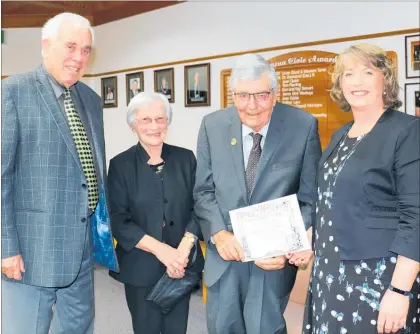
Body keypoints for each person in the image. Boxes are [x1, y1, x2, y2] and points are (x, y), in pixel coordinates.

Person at [1, 12, 117, 334]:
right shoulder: (14, 92)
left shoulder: (91, 100)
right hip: (31, 251)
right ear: (46, 45)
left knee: (80, 329)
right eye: (71, 47)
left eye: (86, 50)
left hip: (82, 248)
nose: (79, 58)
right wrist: (5, 247)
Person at [194, 53, 321, 334]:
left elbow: (310, 198)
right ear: (233, 94)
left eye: (261, 95)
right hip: (225, 257)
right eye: (243, 96)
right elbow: (203, 191)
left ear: (275, 94)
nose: (251, 106)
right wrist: (218, 233)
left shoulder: (303, 126)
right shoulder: (212, 125)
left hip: (272, 264)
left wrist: (285, 244)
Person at [302, 44, 420, 334]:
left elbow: (416, 216)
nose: (356, 81)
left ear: (385, 80)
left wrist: (399, 291)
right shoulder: (341, 134)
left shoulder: (407, 131)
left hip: (378, 278)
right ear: (340, 85)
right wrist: (305, 238)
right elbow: (327, 200)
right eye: (348, 74)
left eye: (367, 72)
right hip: (330, 272)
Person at [108, 92, 204, 334]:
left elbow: (200, 206)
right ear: (133, 125)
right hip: (141, 266)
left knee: (176, 329)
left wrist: (181, 251)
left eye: (160, 119)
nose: (154, 126)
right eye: (145, 120)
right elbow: (119, 220)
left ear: (168, 122)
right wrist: (162, 252)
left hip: (182, 264)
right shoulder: (120, 165)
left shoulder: (186, 158)